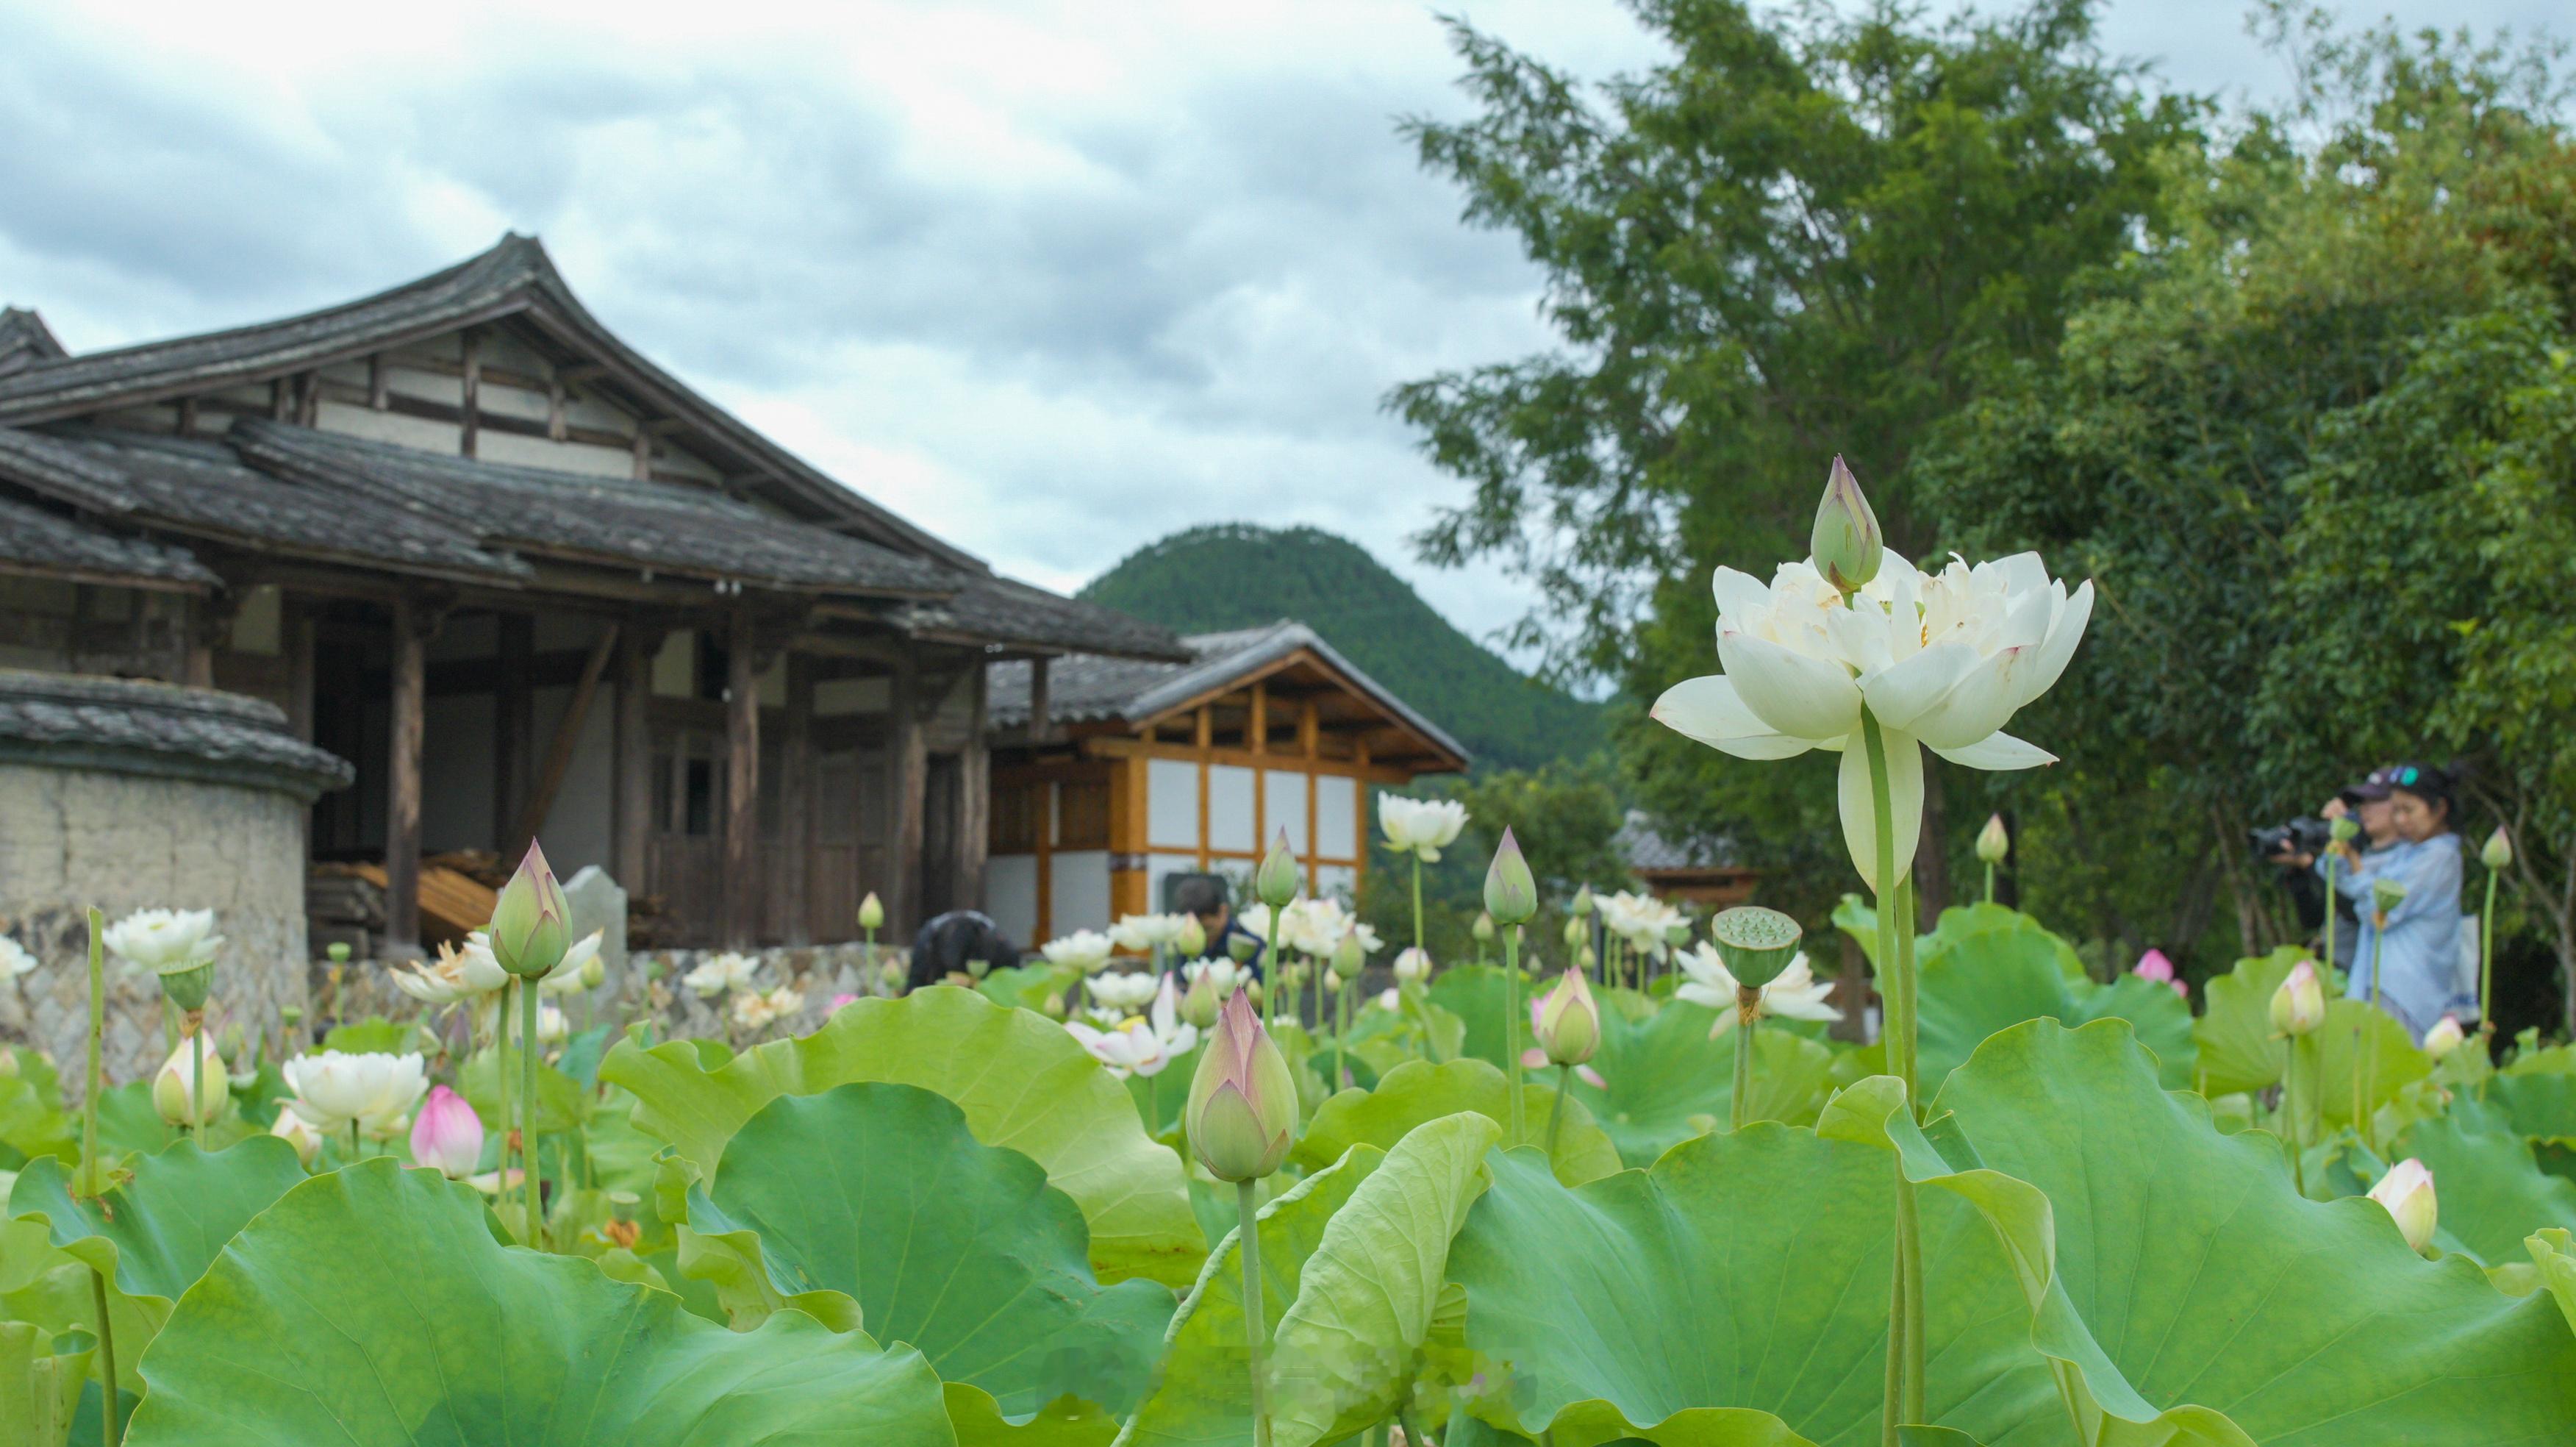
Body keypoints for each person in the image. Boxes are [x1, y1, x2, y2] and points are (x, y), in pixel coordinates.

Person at [2316, 762, 2464, 1040]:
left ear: (2440, 808)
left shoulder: (2441, 858)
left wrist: (2354, 860)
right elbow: (2339, 876)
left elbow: (2383, 908)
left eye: (2409, 810)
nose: (2401, 821)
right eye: (2396, 811)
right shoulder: (2407, 854)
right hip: (2372, 985)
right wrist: (2341, 835)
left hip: (2407, 994)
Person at [2273, 767, 2403, 973]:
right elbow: (2313, 919)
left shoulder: (2405, 860)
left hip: (2364, 971)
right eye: (2362, 804)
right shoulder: (2365, 852)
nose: (2364, 810)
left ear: (2402, 805)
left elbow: (2355, 910)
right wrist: (2299, 873)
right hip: (2333, 964)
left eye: (2374, 802)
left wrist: (2311, 865)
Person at [1173, 875, 1264, 979]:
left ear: (1223, 911)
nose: (1199, 937)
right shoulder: (1187, 944)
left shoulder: (1250, 943)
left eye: (1207, 929)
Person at [906, 910, 1020, 991]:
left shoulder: (997, 941)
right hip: (941, 982)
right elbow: (915, 983)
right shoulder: (928, 939)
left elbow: (1015, 979)